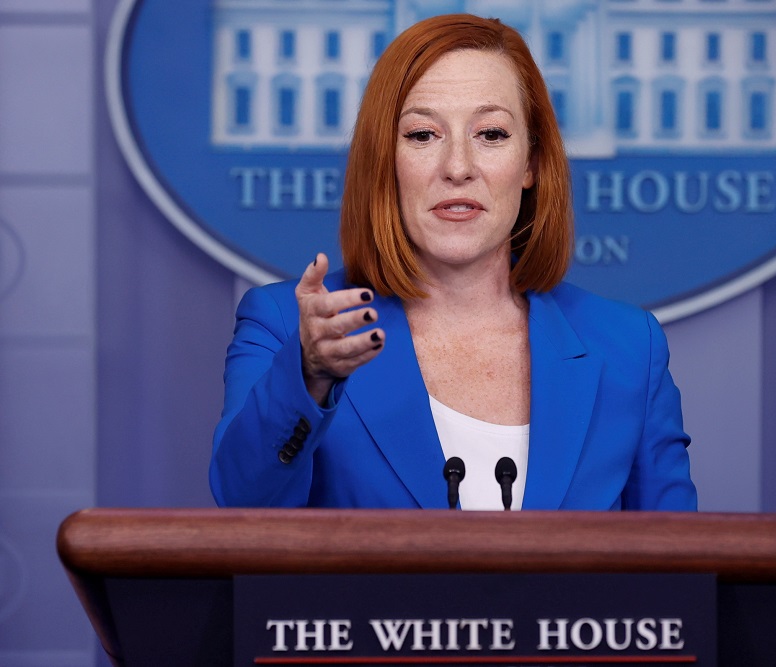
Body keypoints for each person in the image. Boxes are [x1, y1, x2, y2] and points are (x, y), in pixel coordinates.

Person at [210, 14, 696, 511]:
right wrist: (309, 378)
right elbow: (243, 504)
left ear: (530, 163)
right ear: (384, 162)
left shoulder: (629, 347)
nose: (458, 168)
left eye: (491, 134)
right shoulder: (285, 326)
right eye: (423, 135)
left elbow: (676, 551)